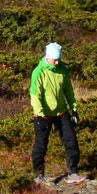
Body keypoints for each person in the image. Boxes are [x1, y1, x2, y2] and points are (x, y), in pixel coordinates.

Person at [31, 42, 87, 185]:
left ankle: (72, 172)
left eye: (59, 59)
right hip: (43, 115)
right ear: (47, 57)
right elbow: (35, 94)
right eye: (54, 59)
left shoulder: (63, 69)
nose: (57, 62)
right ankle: (38, 175)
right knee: (41, 145)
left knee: (71, 141)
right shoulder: (39, 71)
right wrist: (39, 114)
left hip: (61, 112)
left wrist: (74, 108)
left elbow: (68, 90)